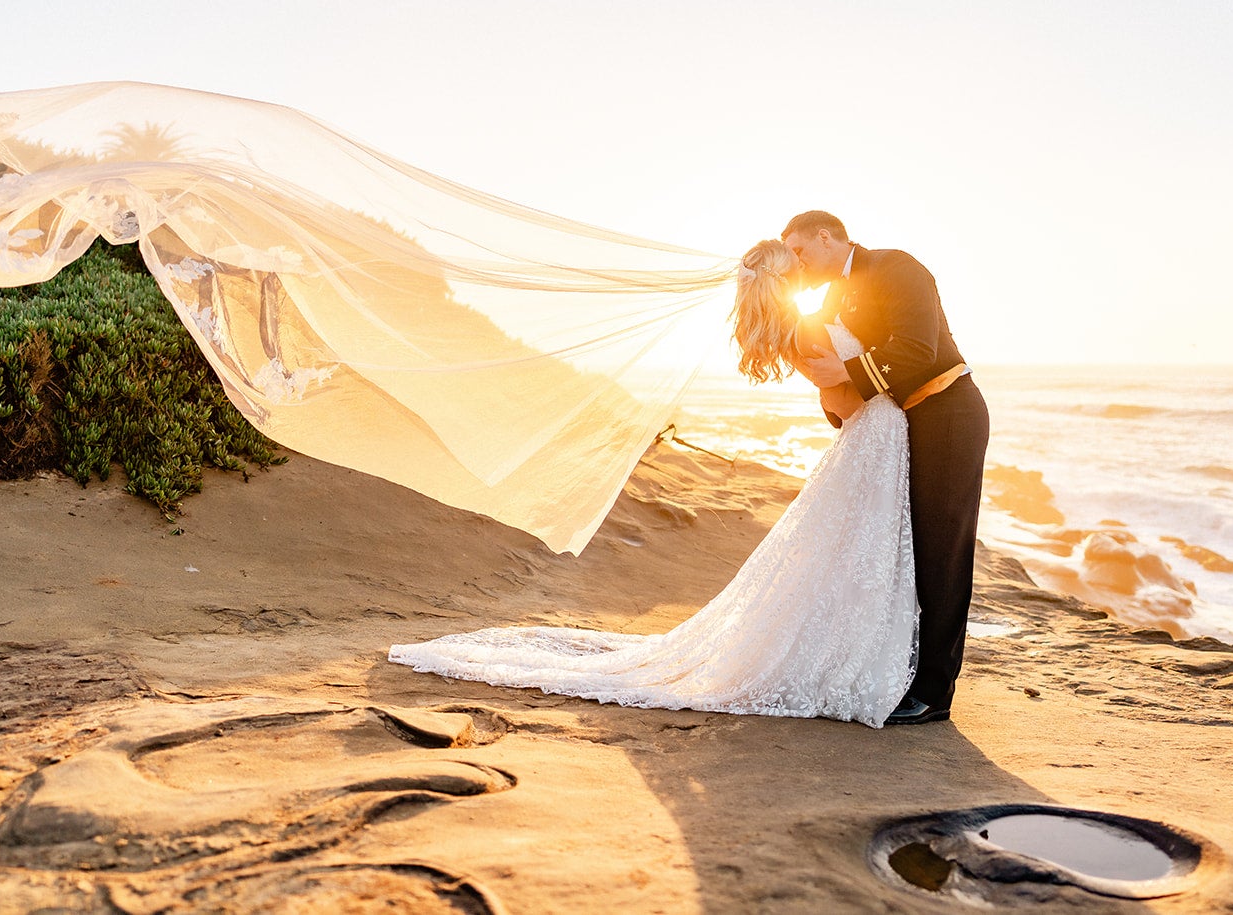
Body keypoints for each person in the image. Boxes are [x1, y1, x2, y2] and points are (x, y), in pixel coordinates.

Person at [388, 237, 921, 727]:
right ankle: (843, 659)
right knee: (853, 553)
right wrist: (879, 399)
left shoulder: (797, 327)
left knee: (845, 555)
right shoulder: (806, 329)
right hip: (873, 437)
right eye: (797, 263)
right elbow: (842, 398)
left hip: (870, 439)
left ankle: (846, 650)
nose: (807, 268)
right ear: (787, 280)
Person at [783, 210, 989, 725]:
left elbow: (918, 350)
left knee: (941, 552)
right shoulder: (830, 298)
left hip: (948, 412)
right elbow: (835, 368)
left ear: (826, 237)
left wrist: (844, 371)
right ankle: (899, 673)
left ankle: (934, 693)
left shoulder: (897, 267)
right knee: (902, 551)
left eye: (800, 252)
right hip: (900, 427)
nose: (797, 264)